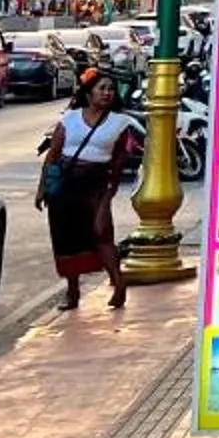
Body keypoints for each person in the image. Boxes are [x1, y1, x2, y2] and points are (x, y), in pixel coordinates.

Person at [38, 70, 142, 310]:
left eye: (111, 89)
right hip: (65, 184)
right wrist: (42, 188)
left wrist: (108, 196)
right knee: (66, 240)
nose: (107, 93)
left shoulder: (120, 123)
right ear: (88, 93)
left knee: (102, 233)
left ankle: (118, 282)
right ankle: (72, 292)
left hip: (95, 184)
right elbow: (52, 156)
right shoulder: (69, 119)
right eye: (102, 88)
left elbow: (117, 164)